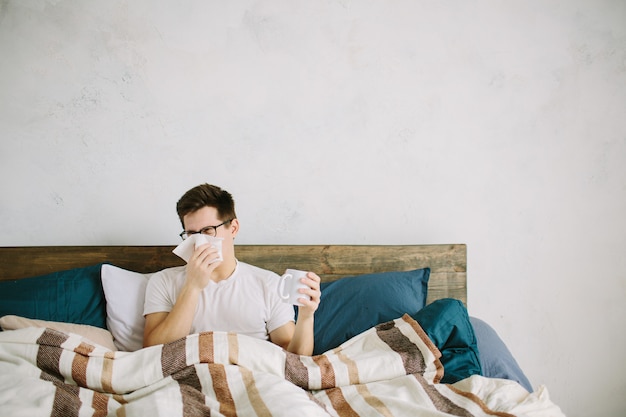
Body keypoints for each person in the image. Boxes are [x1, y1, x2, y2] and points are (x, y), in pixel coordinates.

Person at [143, 183, 321, 355]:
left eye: (208, 230)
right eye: (191, 234)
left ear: (233, 228)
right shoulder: (164, 281)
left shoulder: (268, 283)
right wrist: (192, 286)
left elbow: (295, 361)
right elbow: (152, 353)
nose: (199, 242)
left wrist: (306, 317)